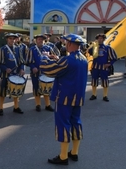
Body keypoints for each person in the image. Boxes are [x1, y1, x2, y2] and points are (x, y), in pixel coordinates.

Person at [39, 34, 88, 165]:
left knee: (63, 125)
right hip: (78, 98)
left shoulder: (67, 60)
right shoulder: (83, 59)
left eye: (66, 43)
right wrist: (58, 58)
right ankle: (74, 152)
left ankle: (63, 156)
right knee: (76, 123)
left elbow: (48, 70)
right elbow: (68, 66)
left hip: (65, 98)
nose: (65, 44)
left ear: (70, 44)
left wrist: (44, 57)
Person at [0, 33, 25, 116]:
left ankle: (16, 107)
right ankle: (1, 108)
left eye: (13, 39)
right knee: (2, 91)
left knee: (16, 91)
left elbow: (21, 61)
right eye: (10, 38)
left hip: (15, 74)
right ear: (7, 39)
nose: (12, 40)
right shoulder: (2, 49)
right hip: (5, 74)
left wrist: (22, 69)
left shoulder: (18, 49)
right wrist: (5, 69)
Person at [26, 34, 55, 112]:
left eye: (42, 40)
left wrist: (50, 60)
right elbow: (28, 61)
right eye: (39, 39)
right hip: (36, 72)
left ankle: (48, 105)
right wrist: (33, 67)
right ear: (36, 40)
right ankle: (38, 105)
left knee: (46, 88)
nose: (40, 41)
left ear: (44, 41)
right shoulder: (32, 49)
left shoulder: (48, 48)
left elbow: (54, 57)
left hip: (46, 72)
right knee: (36, 88)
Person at [88, 34, 118, 102]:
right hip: (95, 67)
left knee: (105, 81)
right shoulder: (94, 47)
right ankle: (94, 95)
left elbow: (114, 57)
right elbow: (88, 52)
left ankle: (105, 96)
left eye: (101, 38)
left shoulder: (108, 48)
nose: (100, 39)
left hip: (104, 67)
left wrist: (109, 64)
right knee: (94, 80)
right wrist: (92, 46)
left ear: (104, 39)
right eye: (98, 38)